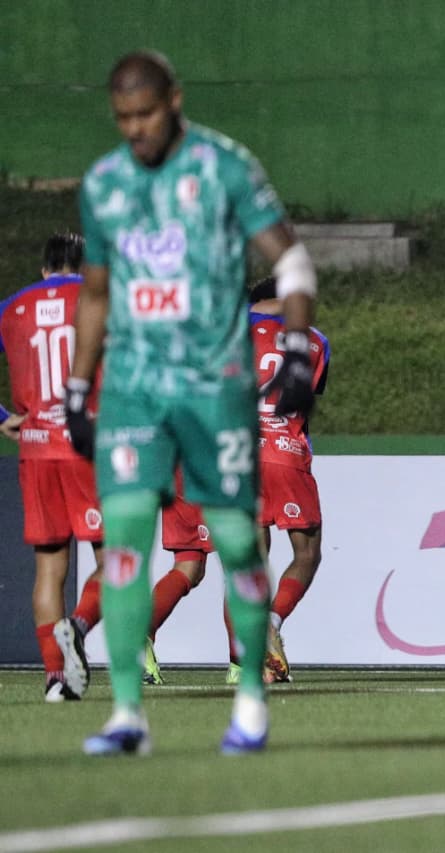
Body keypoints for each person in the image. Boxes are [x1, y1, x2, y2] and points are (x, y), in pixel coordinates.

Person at [69, 50, 319, 756]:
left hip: (215, 389)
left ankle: (248, 697)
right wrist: (81, 384)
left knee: (239, 542)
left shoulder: (224, 166)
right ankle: (125, 712)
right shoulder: (106, 184)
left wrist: (296, 346)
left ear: (174, 101)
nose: (135, 129)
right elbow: (95, 294)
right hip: (134, 391)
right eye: (122, 118)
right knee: (122, 546)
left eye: (145, 114)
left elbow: (292, 261)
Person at [0, 232, 105, 702]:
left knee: (49, 569)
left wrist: (4, 419)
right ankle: (78, 626)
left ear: (45, 268)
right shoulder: (98, 297)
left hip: (37, 448)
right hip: (89, 445)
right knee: (119, 560)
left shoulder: (12, 307)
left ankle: (55, 680)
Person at [249, 275, 330, 683]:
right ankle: (272, 625)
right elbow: (306, 402)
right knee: (307, 553)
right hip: (285, 453)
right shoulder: (314, 340)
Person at [141, 470, 213, 685]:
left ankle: (141, 636)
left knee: (190, 567)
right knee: (239, 564)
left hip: (175, 470)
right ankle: (242, 665)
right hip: (201, 467)